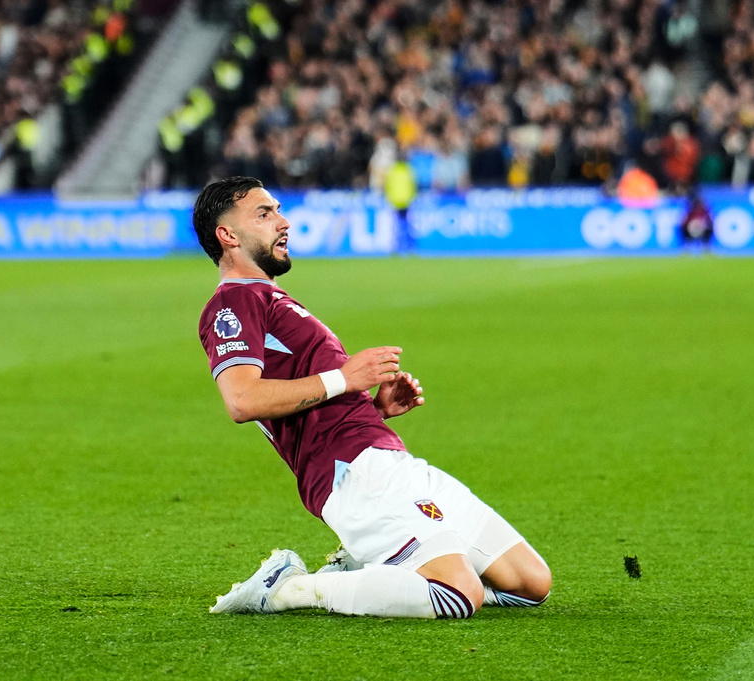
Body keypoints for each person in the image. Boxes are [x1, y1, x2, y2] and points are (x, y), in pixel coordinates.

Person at [194, 177, 551, 619]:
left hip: (385, 456)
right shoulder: (233, 304)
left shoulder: (273, 298)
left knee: (531, 584)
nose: (283, 222)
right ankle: (288, 588)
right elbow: (242, 400)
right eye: (264, 214)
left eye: (278, 210)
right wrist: (345, 378)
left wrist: (372, 408)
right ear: (227, 235)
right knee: (458, 595)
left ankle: (377, 566)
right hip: (350, 473)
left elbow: (313, 398)